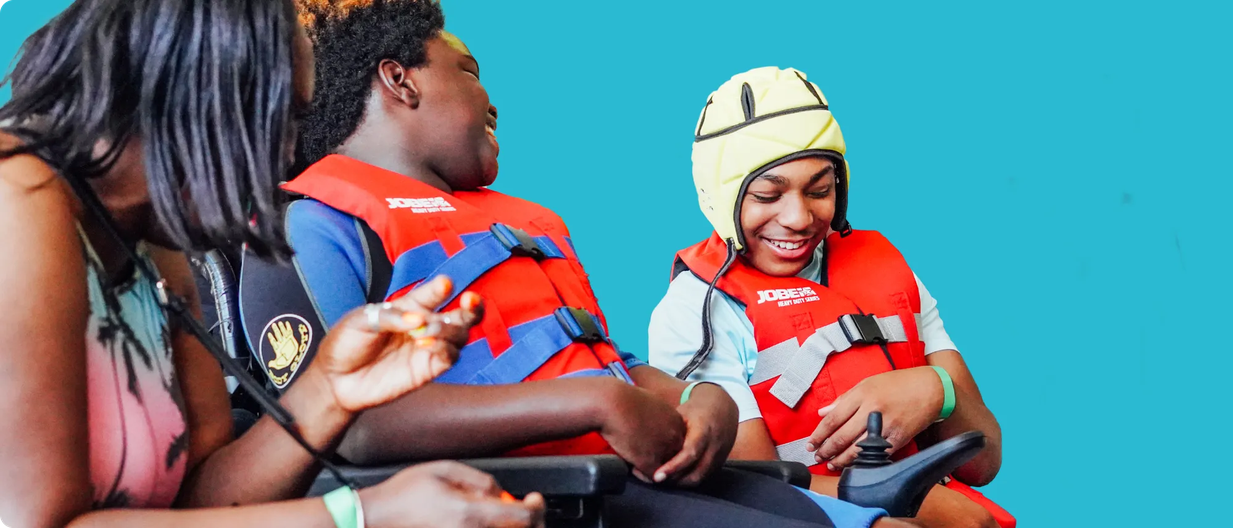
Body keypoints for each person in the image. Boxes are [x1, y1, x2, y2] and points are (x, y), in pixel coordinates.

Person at [238, 1, 910, 527]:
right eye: (469, 73)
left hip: (652, 482)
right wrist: (591, 402)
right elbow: (348, 427)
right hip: (547, 501)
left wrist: (702, 400)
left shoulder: (524, 222)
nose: (492, 101)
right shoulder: (313, 222)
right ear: (399, 80)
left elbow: (606, 362)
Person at [0, 1, 544, 527]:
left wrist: (330, 390)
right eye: (286, 119)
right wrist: (364, 513)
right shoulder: (18, 196)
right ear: (201, 91)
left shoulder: (157, 250)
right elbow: (44, 521)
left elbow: (203, 501)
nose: (289, 155)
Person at [648, 66, 1017, 528]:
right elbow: (752, 494)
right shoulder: (698, 311)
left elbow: (984, 459)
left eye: (819, 189)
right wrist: (932, 508)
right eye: (766, 195)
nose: (799, 217)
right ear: (720, 198)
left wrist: (936, 389)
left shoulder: (884, 266)